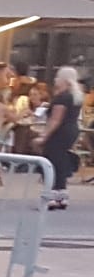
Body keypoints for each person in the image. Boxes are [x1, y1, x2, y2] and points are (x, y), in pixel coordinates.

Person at [34, 65, 83, 208]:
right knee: (61, 160)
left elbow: (55, 119)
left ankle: (51, 194)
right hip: (71, 130)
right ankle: (61, 194)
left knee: (52, 160)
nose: (55, 80)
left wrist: (43, 136)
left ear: (64, 80)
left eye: (57, 77)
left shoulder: (61, 98)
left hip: (59, 132)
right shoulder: (75, 96)